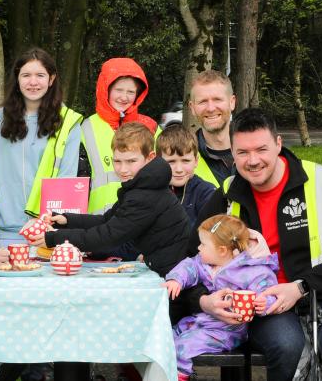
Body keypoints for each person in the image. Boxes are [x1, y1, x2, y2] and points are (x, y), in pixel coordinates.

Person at [196, 108, 322, 381]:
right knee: (288, 347)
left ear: (278, 144)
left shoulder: (321, 182)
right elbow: (191, 257)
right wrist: (203, 301)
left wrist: (300, 287)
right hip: (259, 301)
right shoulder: (227, 195)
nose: (253, 161)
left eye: (261, 149)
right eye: (242, 152)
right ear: (232, 151)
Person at [28, 122, 189, 277]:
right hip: (168, 268)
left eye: (131, 161)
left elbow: (108, 236)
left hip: (175, 275)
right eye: (117, 161)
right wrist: (66, 220)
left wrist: (53, 238)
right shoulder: (143, 185)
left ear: (150, 157)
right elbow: (107, 220)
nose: (123, 169)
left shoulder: (144, 194)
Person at [0, 48, 83, 255]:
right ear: (17, 78)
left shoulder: (67, 122)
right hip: (8, 230)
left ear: (51, 79)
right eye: (26, 75)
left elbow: (66, 179)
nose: (33, 82)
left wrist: (46, 225)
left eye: (40, 75)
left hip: (49, 231)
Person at [163, 215, 278, 381]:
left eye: (203, 244)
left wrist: (264, 303)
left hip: (226, 330)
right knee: (166, 338)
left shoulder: (251, 270)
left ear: (222, 250)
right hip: (198, 321)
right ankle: (164, 373)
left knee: (182, 348)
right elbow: (188, 266)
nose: (198, 248)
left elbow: (268, 289)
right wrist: (176, 279)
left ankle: (180, 376)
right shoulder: (205, 263)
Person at [78, 58, 157, 215]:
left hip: (140, 217)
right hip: (97, 220)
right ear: (105, 90)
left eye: (130, 92)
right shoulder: (86, 127)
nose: (124, 97)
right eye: (119, 90)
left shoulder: (151, 127)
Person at [156, 124, 217, 240]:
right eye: (171, 162)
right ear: (158, 162)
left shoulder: (206, 193)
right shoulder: (152, 192)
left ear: (196, 161)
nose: (179, 169)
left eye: (185, 161)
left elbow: (210, 235)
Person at [186, 70, 237, 187]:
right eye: (203, 101)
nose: (210, 108)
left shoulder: (256, 150)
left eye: (217, 99)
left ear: (232, 102)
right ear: (192, 107)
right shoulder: (184, 156)